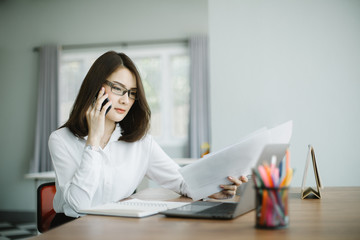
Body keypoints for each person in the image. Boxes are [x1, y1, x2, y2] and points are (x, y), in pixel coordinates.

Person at [48, 51, 248, 228]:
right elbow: (80, 206)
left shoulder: (140, 142)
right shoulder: (61, 140)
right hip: (73, 229)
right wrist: (93, 141)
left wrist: (212, 190)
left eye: (132, 93)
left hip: (115, 227)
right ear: (96, 88)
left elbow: (181, 181)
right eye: (117, 88)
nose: (125, 100)